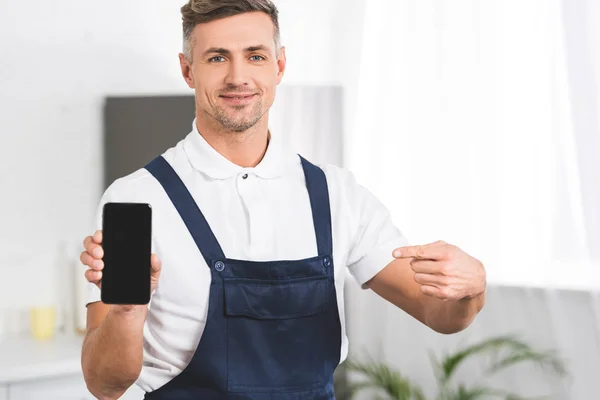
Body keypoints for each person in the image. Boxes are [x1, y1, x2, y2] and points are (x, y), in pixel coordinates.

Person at [79, 1, 487, 399]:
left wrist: (470, 289)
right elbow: (104, 385)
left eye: (255, 56)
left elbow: (439, 316)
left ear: (280, 65)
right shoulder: (137, 198)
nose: (238, 77)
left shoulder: (336, 195)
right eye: (217, 58)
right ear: (188, 70)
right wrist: (128, 312)